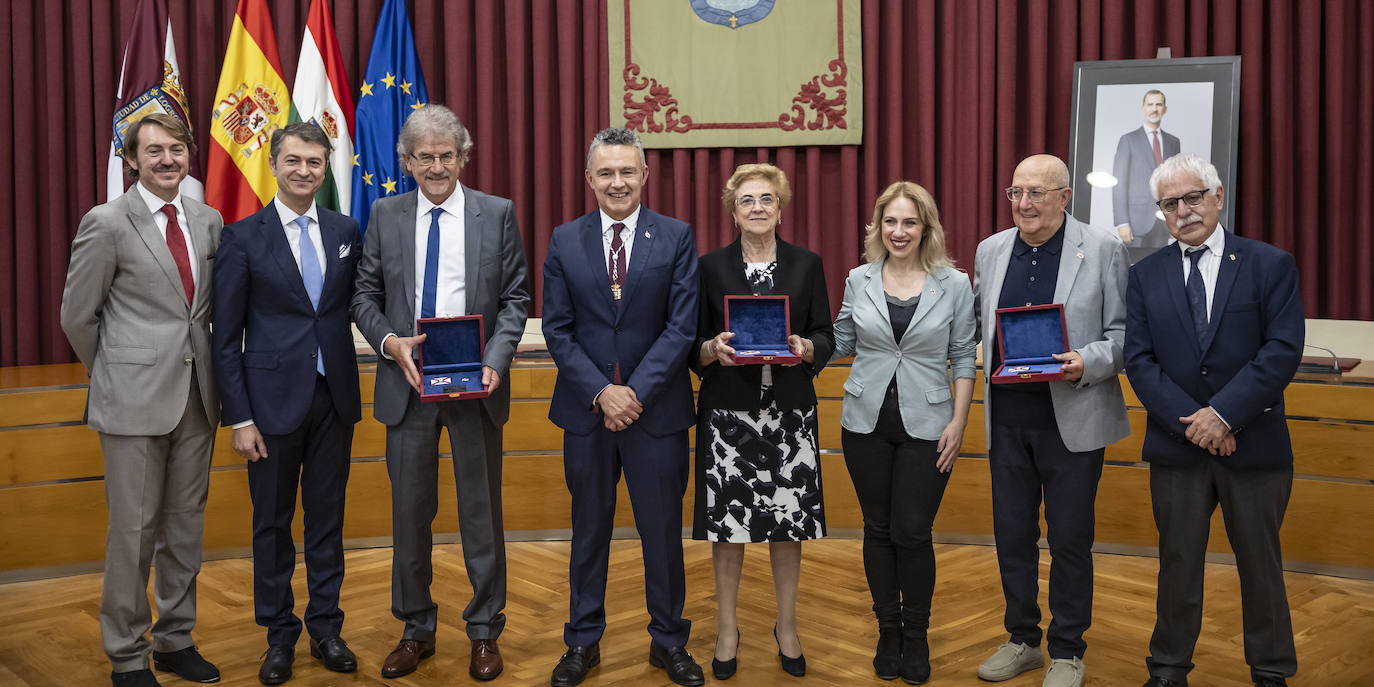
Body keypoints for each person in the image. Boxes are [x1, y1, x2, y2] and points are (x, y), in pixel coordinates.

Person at [351, 104, 530, 682]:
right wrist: (389, 344)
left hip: (476, 383)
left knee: (481, 513)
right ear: (406, 161)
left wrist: (497, 360)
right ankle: (416, 629)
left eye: (446, 156)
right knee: (410, 513)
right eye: (424, 157)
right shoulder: (384, 214)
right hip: (407, 383)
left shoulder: (496, 214)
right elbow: (364, 297)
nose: (436, 166)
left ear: (463, 157)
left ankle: (484, 631)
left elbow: (516, 301)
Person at [1125, 153, 1303, 687]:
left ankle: (1271, 669)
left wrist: (1223, 415)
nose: (1183, 210)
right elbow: (1140, 361)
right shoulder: (1144, 275)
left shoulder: (1269, 264)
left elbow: (1281, 350)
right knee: (1178, 565)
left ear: (1217, 197)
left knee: (1261, 565)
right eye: (1170, 203)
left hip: (1254, 444)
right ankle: (1168, 669)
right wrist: (1195, 425)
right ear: (1161, 212)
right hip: (1178, 449)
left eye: (1192, 197)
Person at [60, 113, 224, 687]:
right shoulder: (106, 222)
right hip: (132, 403)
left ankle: (175, 640)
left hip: (198, 399)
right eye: (153, 151)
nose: (167, 159)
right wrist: (117, 372)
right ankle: (126, 654)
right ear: (131, 160)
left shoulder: (209, 220)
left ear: (189, 155)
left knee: (184, 529)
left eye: (176, 149)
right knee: (132, 534)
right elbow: (77, 316)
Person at [542, 127, 704, 687]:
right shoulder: (564, 240)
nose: (617, 182)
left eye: (627, 171)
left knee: (661, 533)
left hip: (655, 414)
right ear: (589, 179)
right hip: (586, 414)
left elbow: (683, 326)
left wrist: (632, 392)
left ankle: (669, 642)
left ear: (644, 176)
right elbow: (558, 330)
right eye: (606, 173)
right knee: (589, 531)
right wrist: (600, 392)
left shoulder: (677, 236)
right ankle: (582, 642)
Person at [211, 121, 363, 685]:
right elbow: (224, 338)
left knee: (327, 522)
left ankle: (326, 628)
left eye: (315, 163)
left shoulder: (346, 229)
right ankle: (279, 636)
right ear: (273, 164)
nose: (304, 172)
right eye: (294, 161)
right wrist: (240, 416)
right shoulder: (242, 237)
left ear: (327, 169)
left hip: (334, 400)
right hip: (268, 408)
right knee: (272, 524)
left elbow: (353, 305)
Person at [971, 154, 1130, 687]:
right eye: (1016, 192)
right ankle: (1022, 640)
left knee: (1069, 539)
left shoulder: (1104, 248)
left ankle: (1067, 649)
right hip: (1008, 421)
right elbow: (977, 326)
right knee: (1012, 535)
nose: (1025, 203)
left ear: (1065, 196)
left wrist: (1089, 362)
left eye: (1037, 192)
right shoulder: (990, 251)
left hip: (1074, 418)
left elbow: (1125, 335)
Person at [691, 163, 834, 680]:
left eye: (766, 199)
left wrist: (807, 347)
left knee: (787, 527)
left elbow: (826, 333)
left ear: (781, 207)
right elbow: (693, 343)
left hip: (788, 414)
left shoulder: (806, 264)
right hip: (728, 416)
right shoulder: (708, 267)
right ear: (733, 210)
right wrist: (711, 349)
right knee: (728, 532)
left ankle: (787, 626)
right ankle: (728, 630)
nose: (757, 207)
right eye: (747, 199)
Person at [832, 181, 976, 684]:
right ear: (878, 226)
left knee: (912, 531)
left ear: (926, 228)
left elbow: (962, 355)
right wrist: (796, 343)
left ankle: (916, 635)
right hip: (864, 423)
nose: (899, 231)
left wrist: (959, 422)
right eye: (890, 221)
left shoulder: (954, 284)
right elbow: (844, 337)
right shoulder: (859, 278)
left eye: (909, 222)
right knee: (877, 528)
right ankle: (887, 631)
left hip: (929, 426)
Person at [1113, 89, 1181, 250]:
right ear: (1143, 108)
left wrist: (1176, 218)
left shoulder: (1173, 142)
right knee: (1134, 270)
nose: (1154, 109)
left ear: (1165, 108)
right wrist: (1122, 222)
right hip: (1136, 222)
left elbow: (1177, 184)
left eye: (1158, 104)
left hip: (1165, 220)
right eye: (1150, 104)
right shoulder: (1128, 140)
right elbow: (1119, 183)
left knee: (1161, 270)